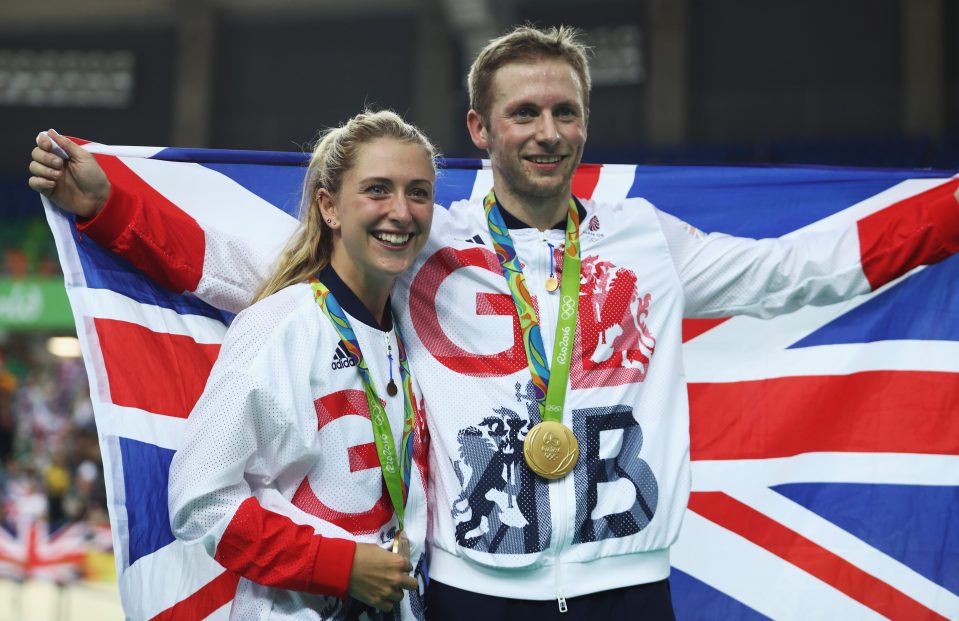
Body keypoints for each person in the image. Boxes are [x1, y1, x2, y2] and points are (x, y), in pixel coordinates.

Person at [29, 25, 959, 621]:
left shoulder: (644, 241)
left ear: (587, 127)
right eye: (524, 112)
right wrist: (109, 210)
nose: (546, 130)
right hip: (472, 594)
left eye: (564, 111)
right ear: (481, 128)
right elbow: (256, 271)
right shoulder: (427, 236)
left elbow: (803, 269)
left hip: (623, 589)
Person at [34, 110, 437, 620]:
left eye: (419, 192)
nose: (401, 211)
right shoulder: (281, 324)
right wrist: (338, 565)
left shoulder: (414, 328)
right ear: (329, 207)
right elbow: (199, 500)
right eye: (378, 189)